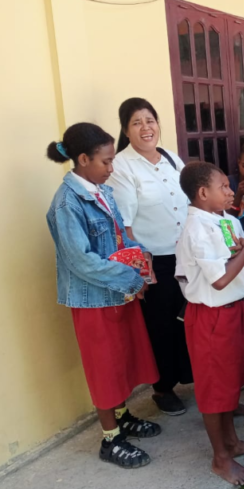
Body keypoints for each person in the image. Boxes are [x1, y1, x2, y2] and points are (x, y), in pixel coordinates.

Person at [46, 123, 161, 468]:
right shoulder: (67, 203)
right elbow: (80, 260)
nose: (112, 168)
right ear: (83, 159)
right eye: (106, 161)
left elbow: (119, 236)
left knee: (123, 360)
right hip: (94, 299)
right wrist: (131, 278)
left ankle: (122, 417)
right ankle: (110, 438)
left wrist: (140, 257)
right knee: (104, 367)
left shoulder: (102, 191)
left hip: (118, 293)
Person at [175, 161, 244, 485]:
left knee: (228, 383)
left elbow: (236, 260)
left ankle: (232, 442)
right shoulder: (197, 229)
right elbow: (219, 280)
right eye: (223, 187)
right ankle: (220, 459)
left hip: (232, 310)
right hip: (210, 316)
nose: (231, 191)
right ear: (202, 193)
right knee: (214, 389)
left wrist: (243, 251)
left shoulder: (224, 219)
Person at [107, 97, 192, 416]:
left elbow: (191, 200)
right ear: (126, 130)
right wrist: (141, 271)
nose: (146, 127)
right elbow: (124, 225)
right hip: (155, 261)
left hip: (185, 254)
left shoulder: (170, 157)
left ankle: (190, 376)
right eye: (136, 122)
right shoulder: (122, 166)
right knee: (161, 325)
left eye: (150, 120)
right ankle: (163, 388)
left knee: (189, 319)